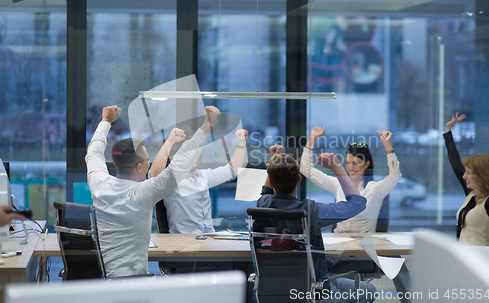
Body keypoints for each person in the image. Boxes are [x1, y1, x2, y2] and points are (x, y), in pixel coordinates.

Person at [86, 105, 220, 278]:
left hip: (102, 280)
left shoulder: (99, 184)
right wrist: (207, 126)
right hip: (133, 284)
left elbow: (93, 153)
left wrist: (105, 121)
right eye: (147, 160)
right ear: (140, 166)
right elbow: (180, 164)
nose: (150, 163)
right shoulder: (144, 192)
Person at [257, 145, 376, 303]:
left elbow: (266, 191)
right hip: (316, 291)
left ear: (271, 183)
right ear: (299, 180)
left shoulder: (263, 205)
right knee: (370, 291)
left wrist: (274, 161)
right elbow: (357, 204)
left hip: (273, 289)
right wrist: (337, 167)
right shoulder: (311, 211)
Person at [301, 126, 401, 233]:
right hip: (339, 242)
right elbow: (306, 169)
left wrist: (387, 145)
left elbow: (395, 176)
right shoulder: (338, 184)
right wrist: (311, 139)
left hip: (365, 244)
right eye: (348, 163)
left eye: (355, 163)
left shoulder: (376, 188)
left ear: (367, 164)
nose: (350, 167)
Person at [149, 128, 248, 233]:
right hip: (183, 242)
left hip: (208, 238)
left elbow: (232, 170)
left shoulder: (203, 176)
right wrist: (170, 141)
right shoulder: (171, 179)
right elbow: (154, 174)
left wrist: (241, 143)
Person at [443, 112, 489, 247]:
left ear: (482, 176)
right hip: (464, 259)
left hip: (481, 262)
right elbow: (456, 165)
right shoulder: (472, 195)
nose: (464, 176)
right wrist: (448, 132)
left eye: (469, 173)